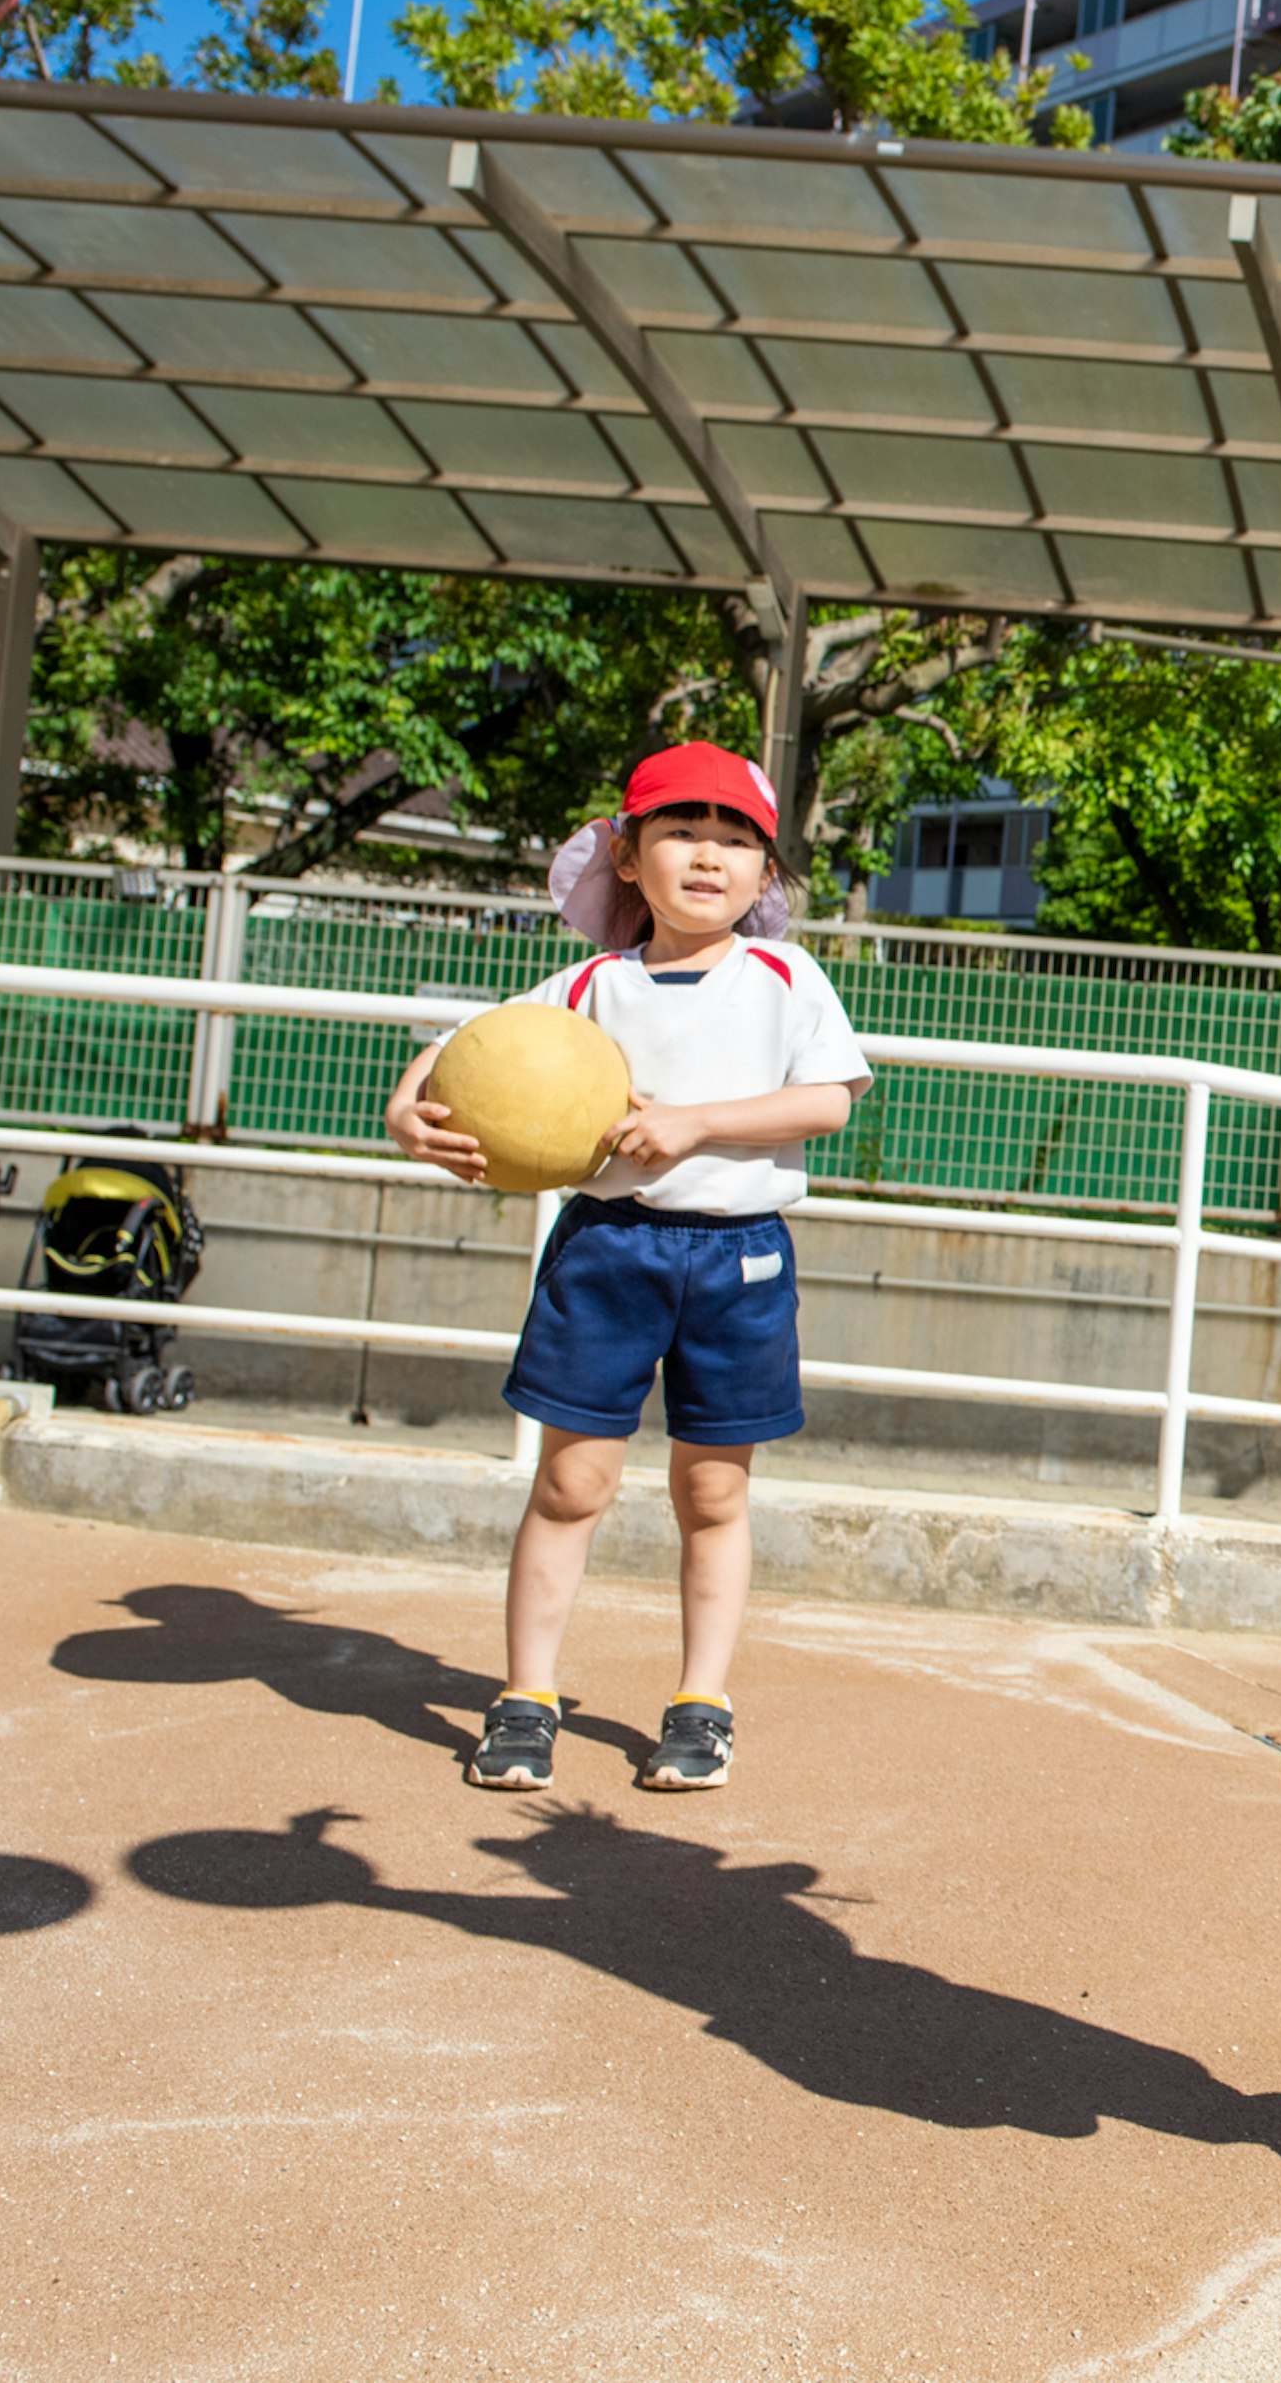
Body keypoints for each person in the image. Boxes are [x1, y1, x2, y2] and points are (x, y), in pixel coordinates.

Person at [385, 742, 870, 1795]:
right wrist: (405, 1108)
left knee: (711, 1492)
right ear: (627, 857)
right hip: (607, 1251)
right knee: (570, 1481)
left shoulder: (786, 976)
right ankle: (526, 1696)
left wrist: (695, 1125)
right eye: (683, 833)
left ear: (765, 874)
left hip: (737, 1261)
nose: (711, 857)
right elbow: (463, 1046)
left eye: (738, 840)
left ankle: (702, 1701)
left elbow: (828, 1099)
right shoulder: (591, 982)